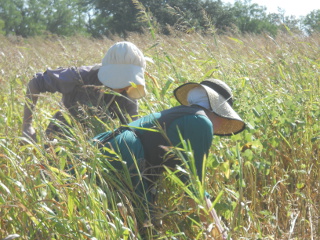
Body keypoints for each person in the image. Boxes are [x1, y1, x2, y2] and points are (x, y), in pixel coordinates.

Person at [92, 78, 245, 236]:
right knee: (141, 230)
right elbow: (195, 190)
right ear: (219, 112)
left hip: (108, 147)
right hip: (127, 155)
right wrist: (220, 234)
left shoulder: (182, 114)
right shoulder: (201, 123)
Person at [22, 41, 147, 142]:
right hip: (60, 139)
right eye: (121, 78)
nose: (124, 85)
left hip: (97, 144)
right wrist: (27, 126)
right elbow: (35, 84)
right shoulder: (79, 77)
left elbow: (132, 128)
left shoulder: (128, 93)